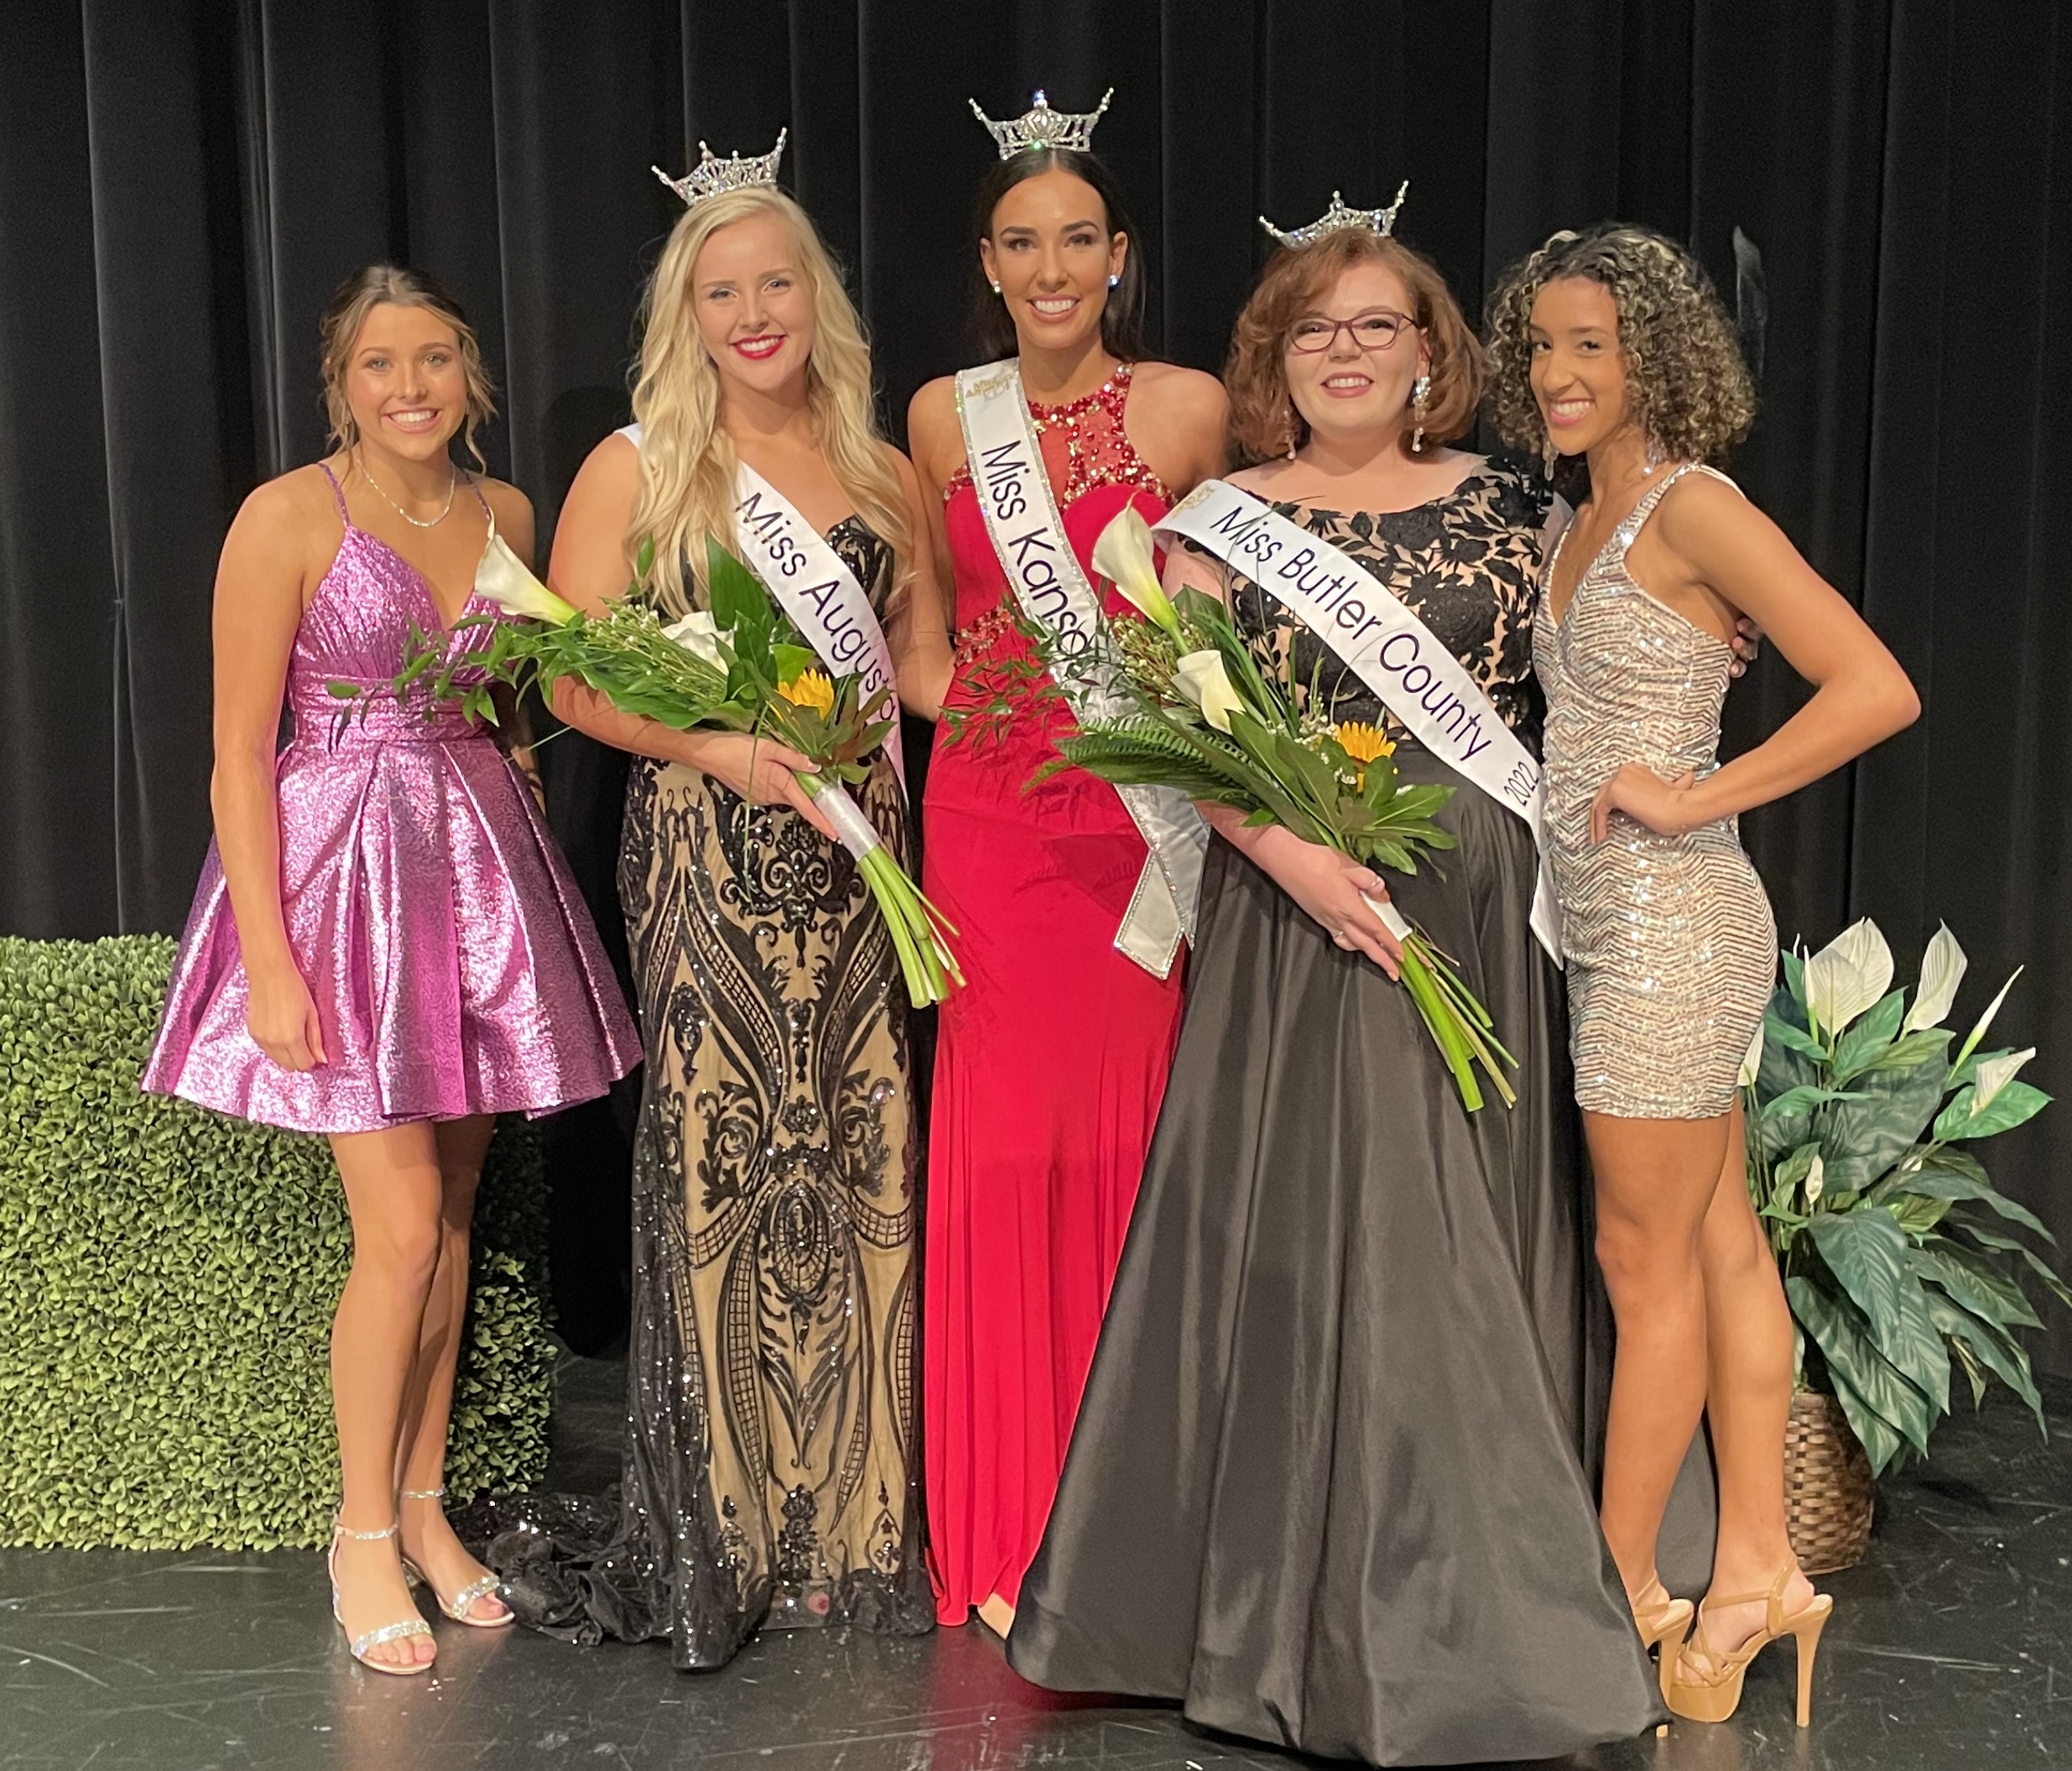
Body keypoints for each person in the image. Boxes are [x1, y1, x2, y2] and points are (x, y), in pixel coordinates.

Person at [1007, 193, 1668, 1764]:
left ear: (1431, 351)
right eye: (1317, 329)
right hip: (1302, 913)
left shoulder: (1520, 508)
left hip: (1480, 905)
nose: (1349, 351)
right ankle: (1310, 1619)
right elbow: (1194, 741)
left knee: (1464, 1234)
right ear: (1275, 358)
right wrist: (1295, 859)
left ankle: (1484, 1594)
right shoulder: (1212, 525)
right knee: (1346, 1241)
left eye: (1380, 325)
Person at [482, 143, 950, 1669]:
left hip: (857, 856)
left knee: (862, 1157)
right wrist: (711, 746)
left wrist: (1088, 718)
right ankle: (729, 1523)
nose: (754, 312)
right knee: (721, 1167)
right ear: (686, 316)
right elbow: (564, 675)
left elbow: (928, 668)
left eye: (777, 282)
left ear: (819, 298)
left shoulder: (883, 474)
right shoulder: (642, 466)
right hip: (702, 852)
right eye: (720, 290)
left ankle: (855, 1520)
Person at [143, 266, 639, 1675]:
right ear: (340, 385)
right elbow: (241, 748)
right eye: (379, 364)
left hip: (476, 867)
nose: (409, 385)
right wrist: (269, 961)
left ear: (470, 379)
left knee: (461, 1207)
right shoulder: (286, 516)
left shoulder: (511, 518)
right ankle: (359, 1531)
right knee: (402, 1230)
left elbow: (515, 709)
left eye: (434, 360)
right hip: (339, 881)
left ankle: (425, 1513)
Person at [1486, 223, 1920, 1727]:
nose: (1553, 372)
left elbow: (1875, 686)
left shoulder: (1694, 508)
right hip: (1603, 921)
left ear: (1655, 358)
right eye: (1539, 344)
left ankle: (1606, 1595)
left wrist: (1691, 793)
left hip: (1674, 923)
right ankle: (1752, 1577)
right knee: (1724, 1245)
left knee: (1639, 1267)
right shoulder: (1567, 522)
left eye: (1589, 346)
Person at [905, 89, 1227, 1638]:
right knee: (997, 1153)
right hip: (980, 819)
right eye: (1021, 241)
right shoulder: (933, 415)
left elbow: (1208, 625)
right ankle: (998, 1526)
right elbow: (925, 633)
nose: (1050, 267)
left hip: (1129, 829)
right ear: (986, 259)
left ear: (1120, 256)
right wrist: (971, 714)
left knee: (1122, 1147)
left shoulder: (1186, 410)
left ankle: (1125, 1535)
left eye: (1077, 239)